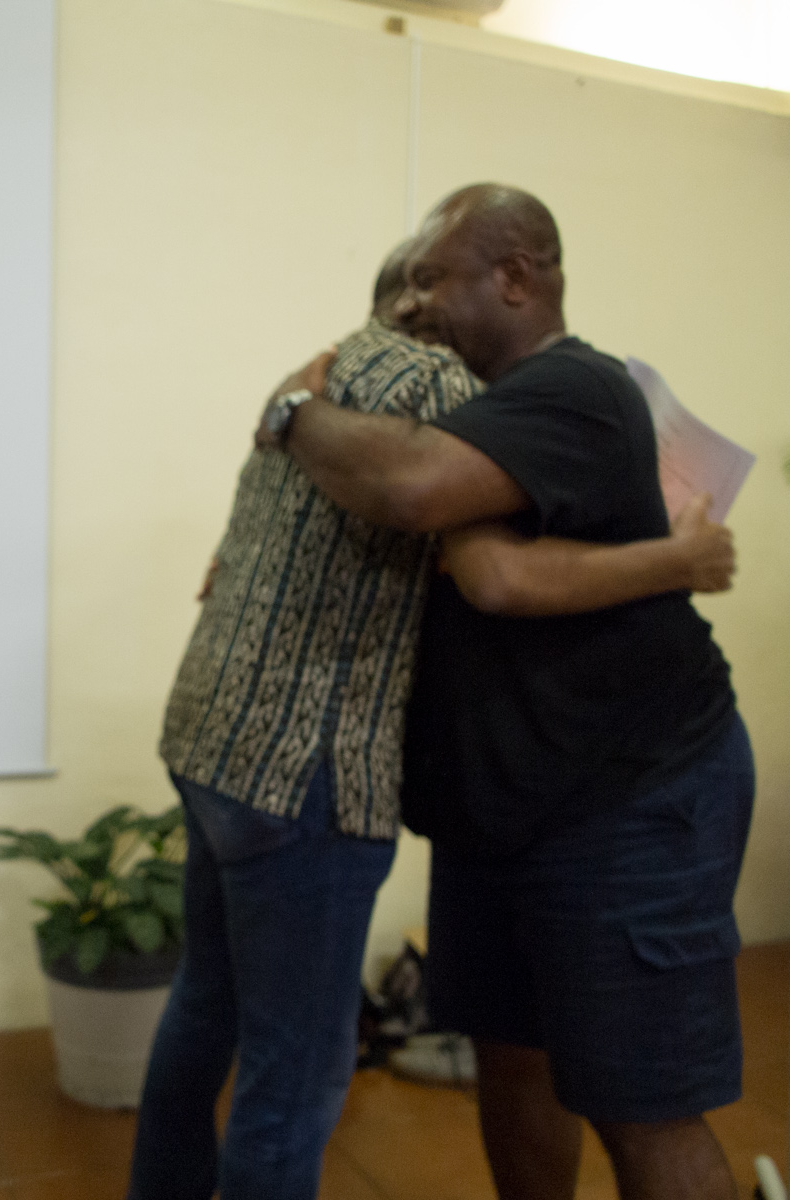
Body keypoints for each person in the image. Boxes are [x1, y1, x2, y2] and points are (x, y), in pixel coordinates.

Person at [129, 242, 737, 1200]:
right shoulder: (407, 392)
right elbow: (419, 518)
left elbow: (472, 558)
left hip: (617, 794)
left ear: (516, 277)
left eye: (436, 275)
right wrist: (292, 413)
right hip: (429, 792)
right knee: (455, 1062)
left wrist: (288, 409)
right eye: (412, 282)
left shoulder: (449, 384)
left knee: (638, 1098)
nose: (421, 299)